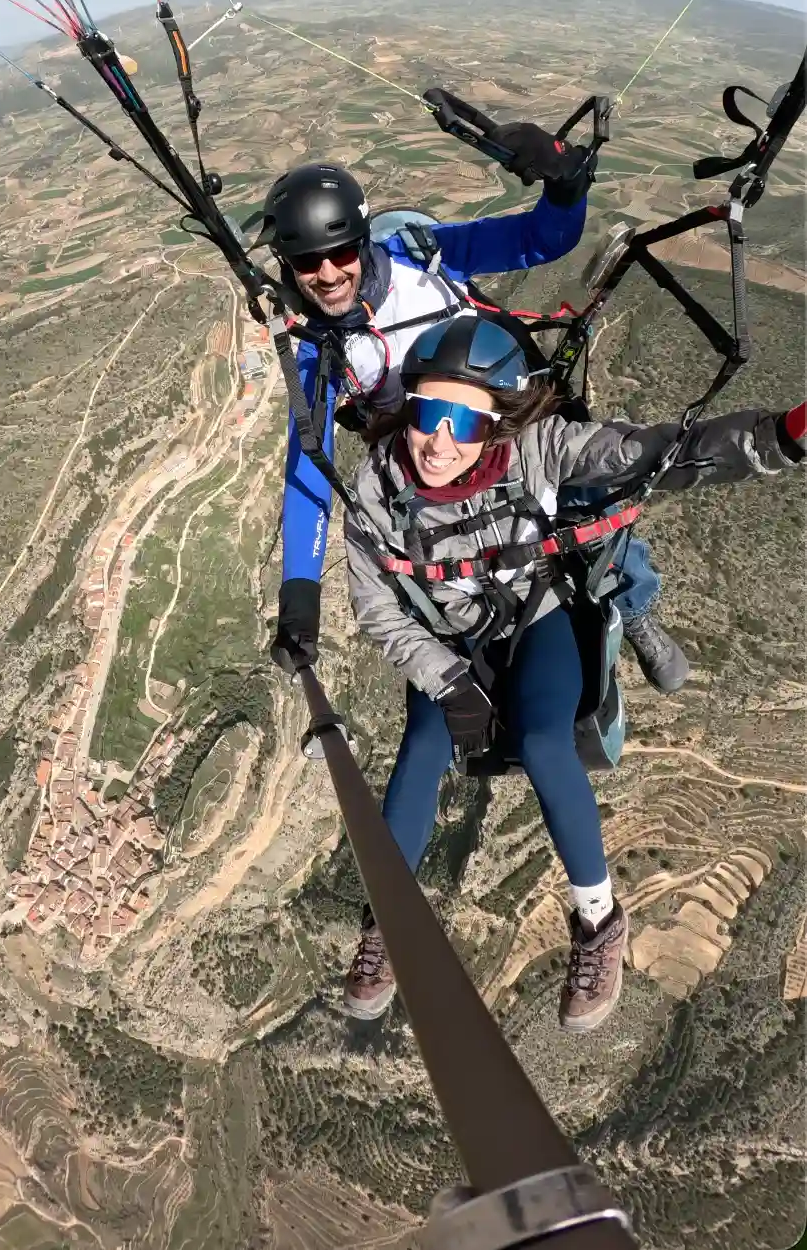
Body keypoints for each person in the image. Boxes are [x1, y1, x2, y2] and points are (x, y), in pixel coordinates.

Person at [340, 313, 806, 1030]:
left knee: (546, 742)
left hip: (534, 618)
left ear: (495, 427)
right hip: (447, 639)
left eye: (465, 423)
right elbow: (378, 610)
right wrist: (447, 679)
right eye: (428, 412)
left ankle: (599, 921)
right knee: (422, 748)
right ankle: (390, 925)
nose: (438, 440)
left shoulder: (540, 451)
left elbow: (658, 454)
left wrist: (781, 437)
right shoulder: (374, 488)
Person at [257, 123, 687, 693]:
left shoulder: (427, 256)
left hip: (505, 417)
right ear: (289, 267)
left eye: (340, 252)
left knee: (587, 495)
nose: (329, 273)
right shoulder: (317, 348)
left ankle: (633, 605)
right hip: (430, 451)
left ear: (363, 242)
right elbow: (310, 459)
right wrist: (300, 595)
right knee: (456, 551)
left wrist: (565, 188)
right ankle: (497, 643)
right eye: (309, 262)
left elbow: (539, 240)